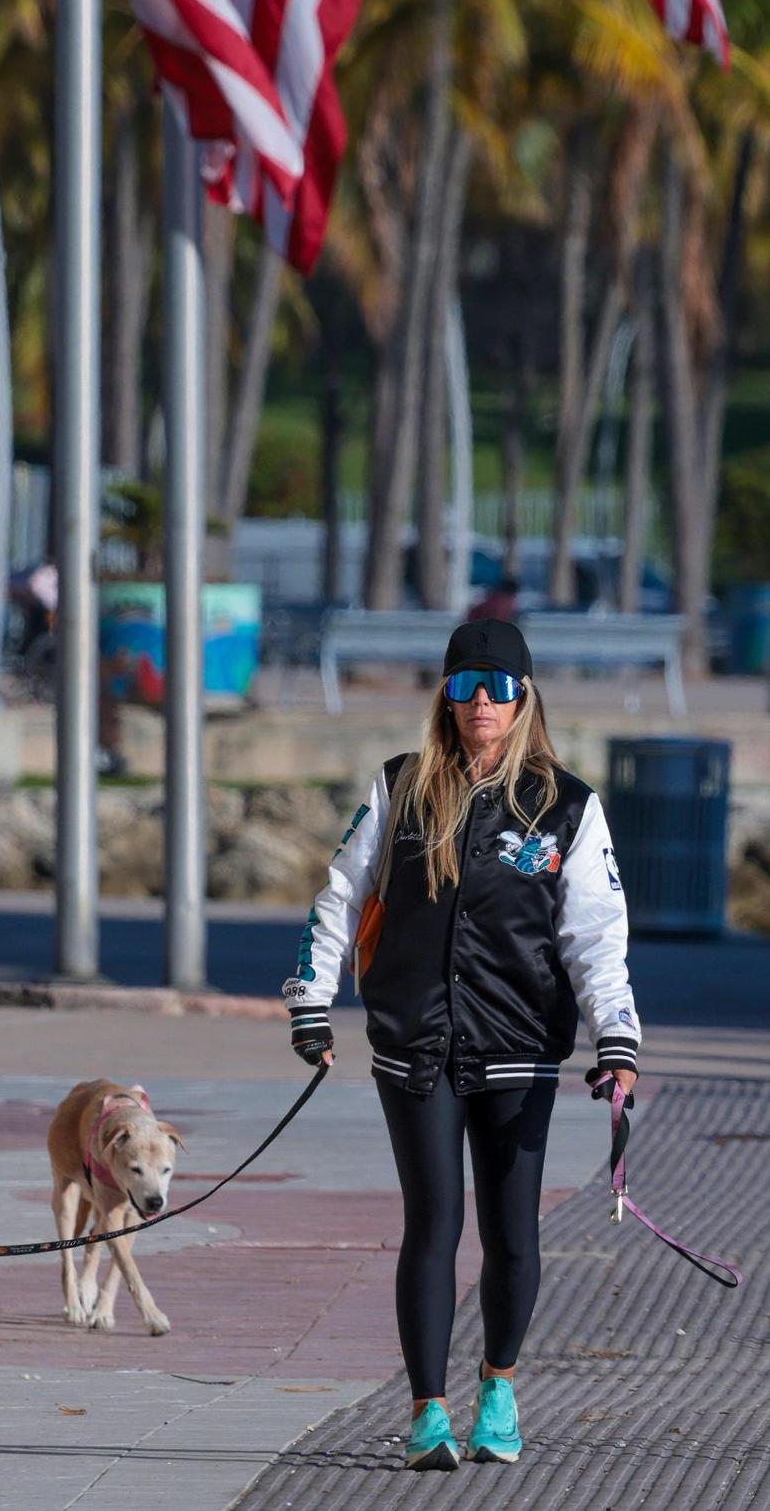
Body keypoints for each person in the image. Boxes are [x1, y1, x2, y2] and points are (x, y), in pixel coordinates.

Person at [284, 619, 639, 1471]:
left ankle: (500, 1388)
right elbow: (339, 896)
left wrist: (616, 1039)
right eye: (464, 684)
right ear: (443, 696)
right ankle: (428, 1411)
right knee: (432, 1222)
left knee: (514, 1232)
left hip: (519, 1044)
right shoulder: (400, 786)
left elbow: (596, 937)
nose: (482, 700)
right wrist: (311, 1000)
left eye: (499, 685)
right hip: (416, 1045)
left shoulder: (567, 806)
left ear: (525, 698)